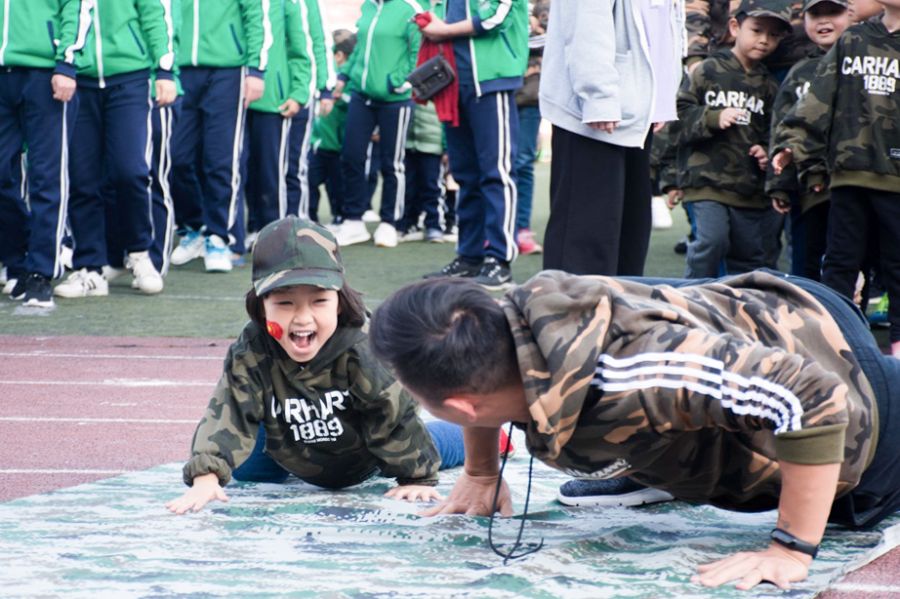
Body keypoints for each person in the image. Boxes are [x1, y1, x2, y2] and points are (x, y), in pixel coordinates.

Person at [369, 269, 900, 590]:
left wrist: (790, 547)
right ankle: (657, 462)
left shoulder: (634, 374)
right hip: (723, 337)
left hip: (843, 376)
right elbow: (478, 377)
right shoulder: (490, 328)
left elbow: (813, 396)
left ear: (459, 407)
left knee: (846, 484)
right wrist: (482, 472)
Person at [165, 216, 473, 514]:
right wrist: (206, 476)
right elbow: (229, 407)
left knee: (426, 445)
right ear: (260, 306)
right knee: (250, 473)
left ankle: (484, 435)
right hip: (287, 443)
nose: (302, 318)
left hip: (363, 453)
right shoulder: (253, 347)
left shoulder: (362, 347)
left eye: (319, 301)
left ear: (339, 300)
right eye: (284, 303)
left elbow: (393, 413)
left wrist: (415, 476)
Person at [771, 0, 900, 357]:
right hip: (847, 176)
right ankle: (832, 349)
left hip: (895, 179)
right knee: (840, 264)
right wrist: (792, 144)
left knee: (896, 266)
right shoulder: (853, 39)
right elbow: (817, 99)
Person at [538, 0, 685, 277]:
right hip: (595, 110)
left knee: (629, 234)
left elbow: (666, 21)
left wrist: (661, 97)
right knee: (585, 238)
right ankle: (574, 317)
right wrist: (599, 97)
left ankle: (618, 314)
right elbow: (586, 23)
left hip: (636, 107)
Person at [56, 0, 176, 299]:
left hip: (129, 78)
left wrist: (163, 69)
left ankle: (139, 252)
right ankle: (90, 268)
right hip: (78, 80)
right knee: (82, 178)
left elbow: (154, 13)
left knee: (130, 171)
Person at [672, 0, 788, 279]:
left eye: (773, 35)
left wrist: (765, 149)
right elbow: (677, 116)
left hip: (748, 189)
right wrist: (713, 117)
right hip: (706, 182)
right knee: (712, 242)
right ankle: (690, 300)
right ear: (735, 26)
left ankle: (739, 314)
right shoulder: (707, 70)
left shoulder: (770, 84)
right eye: (757, 30)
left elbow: (774, 129)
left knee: (748, 258)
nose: (764, 40)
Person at [418, 0, 529, 290]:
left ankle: (499, 259)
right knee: (465, 175)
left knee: (497, 173)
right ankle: (469, 256)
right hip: (454, 82)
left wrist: (442, 31)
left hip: (492, 81)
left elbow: (497, 15)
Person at [0, 0, 91, 307]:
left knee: (46, 176)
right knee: (2, 173)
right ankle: (16, 261)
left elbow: (78, 7)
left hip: (45, 74)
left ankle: (41, 271)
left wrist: (66, 62)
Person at [168, 0, 269, 273]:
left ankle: (218, 237)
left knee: (221, 159)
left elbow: (256, 17)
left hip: (227, 71)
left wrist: (256, 70)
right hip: (181, 70)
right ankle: (193, 227)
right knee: (177, 157)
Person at [329, 0, 425, 250]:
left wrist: (399, 82)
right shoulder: (368, 7)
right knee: (351, 156)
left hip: (396, 100)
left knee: (392, 163)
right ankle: (353, 221)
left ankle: (389, 223)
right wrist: (343, 78)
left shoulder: (410, 8)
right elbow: (361, 49)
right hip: (361, 96)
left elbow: (419, 51)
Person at [766, 0, 851, 281]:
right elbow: (782, 125)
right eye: (815, 14)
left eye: (833, 13)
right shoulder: (800, 71)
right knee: (806, 261)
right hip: (810, 186)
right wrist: (779, 183)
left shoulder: (864, 57)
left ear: (851, 13)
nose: (823, 21)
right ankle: (807, 320)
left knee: (853, 260)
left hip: (855, 182)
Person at [241, 0, 312, 246]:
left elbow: (300, 49)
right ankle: (252, 229)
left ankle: (277, 238)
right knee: (243, 170)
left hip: (274, 101)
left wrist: (298, 92)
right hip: (235, 98)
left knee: (271, 173)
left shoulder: (290, 3)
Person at [305, 30, 356, 224]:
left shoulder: (349, 81)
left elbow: (352, 103)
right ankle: (310, 217)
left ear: (339, 56)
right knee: (310, 182)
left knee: (337, 186)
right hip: (317, 144)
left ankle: (339, 216)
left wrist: (339, 96)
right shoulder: (324, 78)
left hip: (337, 146)